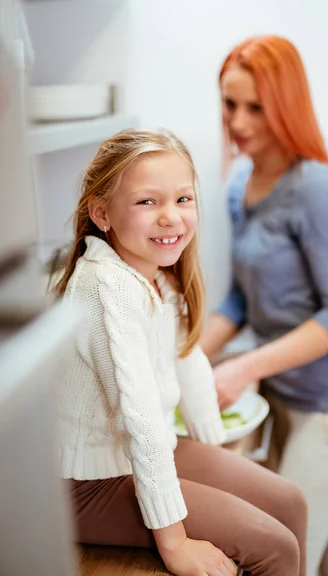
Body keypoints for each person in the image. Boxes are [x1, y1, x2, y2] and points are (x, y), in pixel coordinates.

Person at [54, 129, 307, 576]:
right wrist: (174, 544)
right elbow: (142, 418)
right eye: (147, 202)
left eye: (183, 199)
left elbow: (188, 362)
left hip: (136, 455)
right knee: (274, 547)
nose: (171, 217)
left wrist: (214, 456)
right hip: (84, 483)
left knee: (291, 502)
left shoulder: (153, 272)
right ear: (101, 212)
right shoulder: (105, 287)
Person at [200, 36, 328, 576]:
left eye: (255, 106)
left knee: (287, 555)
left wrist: (243, 366)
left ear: (286, 104)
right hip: (284, 394)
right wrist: (184, 356)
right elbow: (240, 297)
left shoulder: (316, 189)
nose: (238, 121)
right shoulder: (241, 184)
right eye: (229, 104)